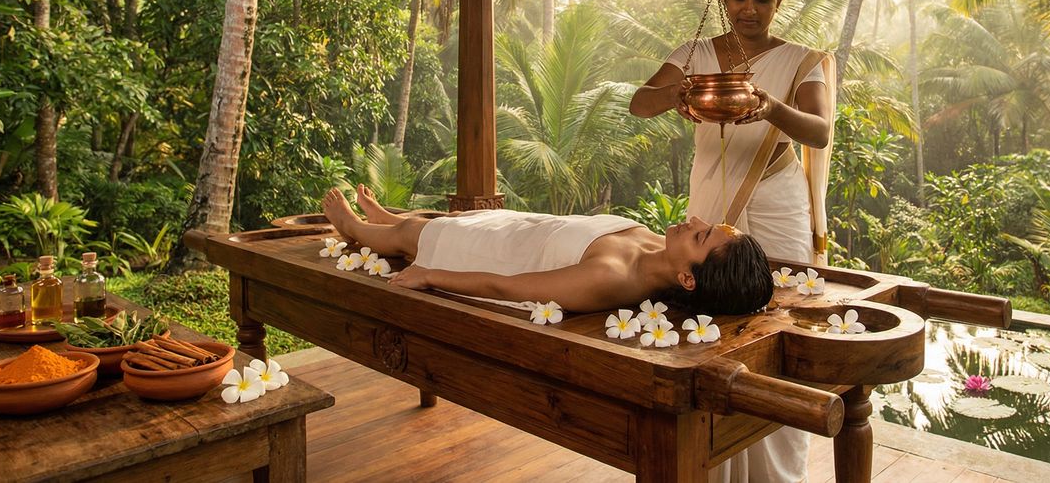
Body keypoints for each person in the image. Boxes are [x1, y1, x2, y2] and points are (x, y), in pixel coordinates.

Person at [629, 0, 837, 483]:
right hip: (711, 203)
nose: (749, 9)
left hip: (778, 198)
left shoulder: (800, 60)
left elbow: (819, 131)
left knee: (782, 315)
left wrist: (770, 108)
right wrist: (676, 90)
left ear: (779, 1)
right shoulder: (696, 52)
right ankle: (712, 457)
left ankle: (777, 462)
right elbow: (639, 103)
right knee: (711, 313)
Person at [321, 186, 773, 315]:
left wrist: (430, 275)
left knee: (418, 239)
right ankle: (388, 219)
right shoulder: (661, 248)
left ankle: (356, 227)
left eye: (700, 235)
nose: (693, 222)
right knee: (449, 219)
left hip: (501, 253)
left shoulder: (611, 279)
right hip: (527, 226)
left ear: (688, 279)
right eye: (706, 226)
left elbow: (509, 286)